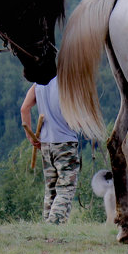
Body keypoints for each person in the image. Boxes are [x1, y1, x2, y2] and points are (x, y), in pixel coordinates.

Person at [21, 77, 82, 224]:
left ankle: (47, 227)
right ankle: (54, 224)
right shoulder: (68, 83)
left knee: (51, 188)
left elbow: (24, 109)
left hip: (46, 143)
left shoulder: (39, 83)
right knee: (66, 187)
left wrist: (31, 138)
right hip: (65, 142)